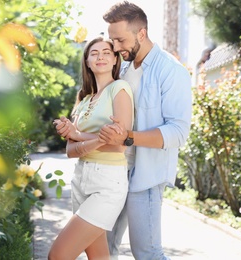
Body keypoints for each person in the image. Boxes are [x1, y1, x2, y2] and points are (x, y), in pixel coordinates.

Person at [99, 1, 193, 259]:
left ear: (141, 33)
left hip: (146, 177)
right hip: (115, 171)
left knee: (147, 253)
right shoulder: (125, 69)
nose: (115, 48)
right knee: (102, 248)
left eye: (120, 40)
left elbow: (177, 132)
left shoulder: (171, 71)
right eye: (112, 40)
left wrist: (128, 137)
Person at [48, 36, 134, 260]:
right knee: (98, 257)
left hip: (107, 182)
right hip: (81, 179)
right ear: (87, 61)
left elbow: (118, 145)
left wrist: (79, 136)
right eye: (94, 53)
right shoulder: (84, 99)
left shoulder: (120, 89)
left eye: (107, 52)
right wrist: (95, 139)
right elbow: (70, 150)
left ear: (116, 60)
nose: (101, 57)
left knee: (58, 255)